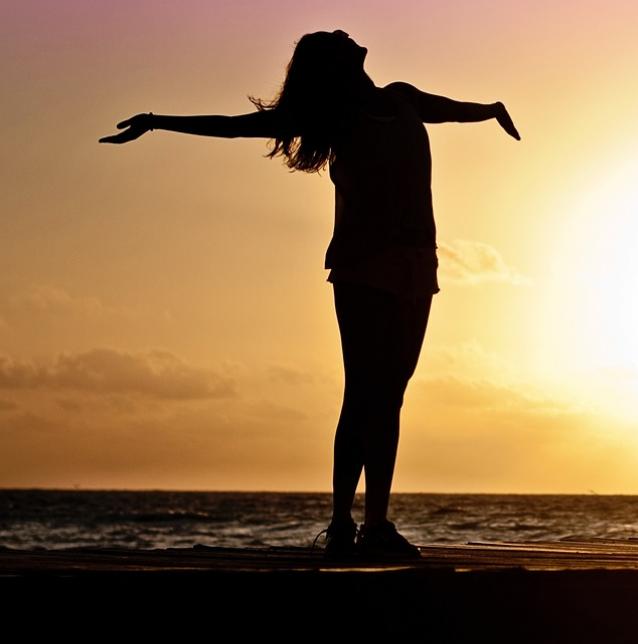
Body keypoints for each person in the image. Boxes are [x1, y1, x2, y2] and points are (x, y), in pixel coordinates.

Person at [100, 30, 521, 559]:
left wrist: (491, 109)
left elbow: (453, 110)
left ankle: (361, 525)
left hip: (419, 267)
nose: (348, 34)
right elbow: (236, 129)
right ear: (334, 65)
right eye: (336, 40)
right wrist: (159, 122)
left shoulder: (402, 98)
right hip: (362, 266)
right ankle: (358, 524)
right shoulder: (335, 116)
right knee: (370, 394)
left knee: (383, 395)